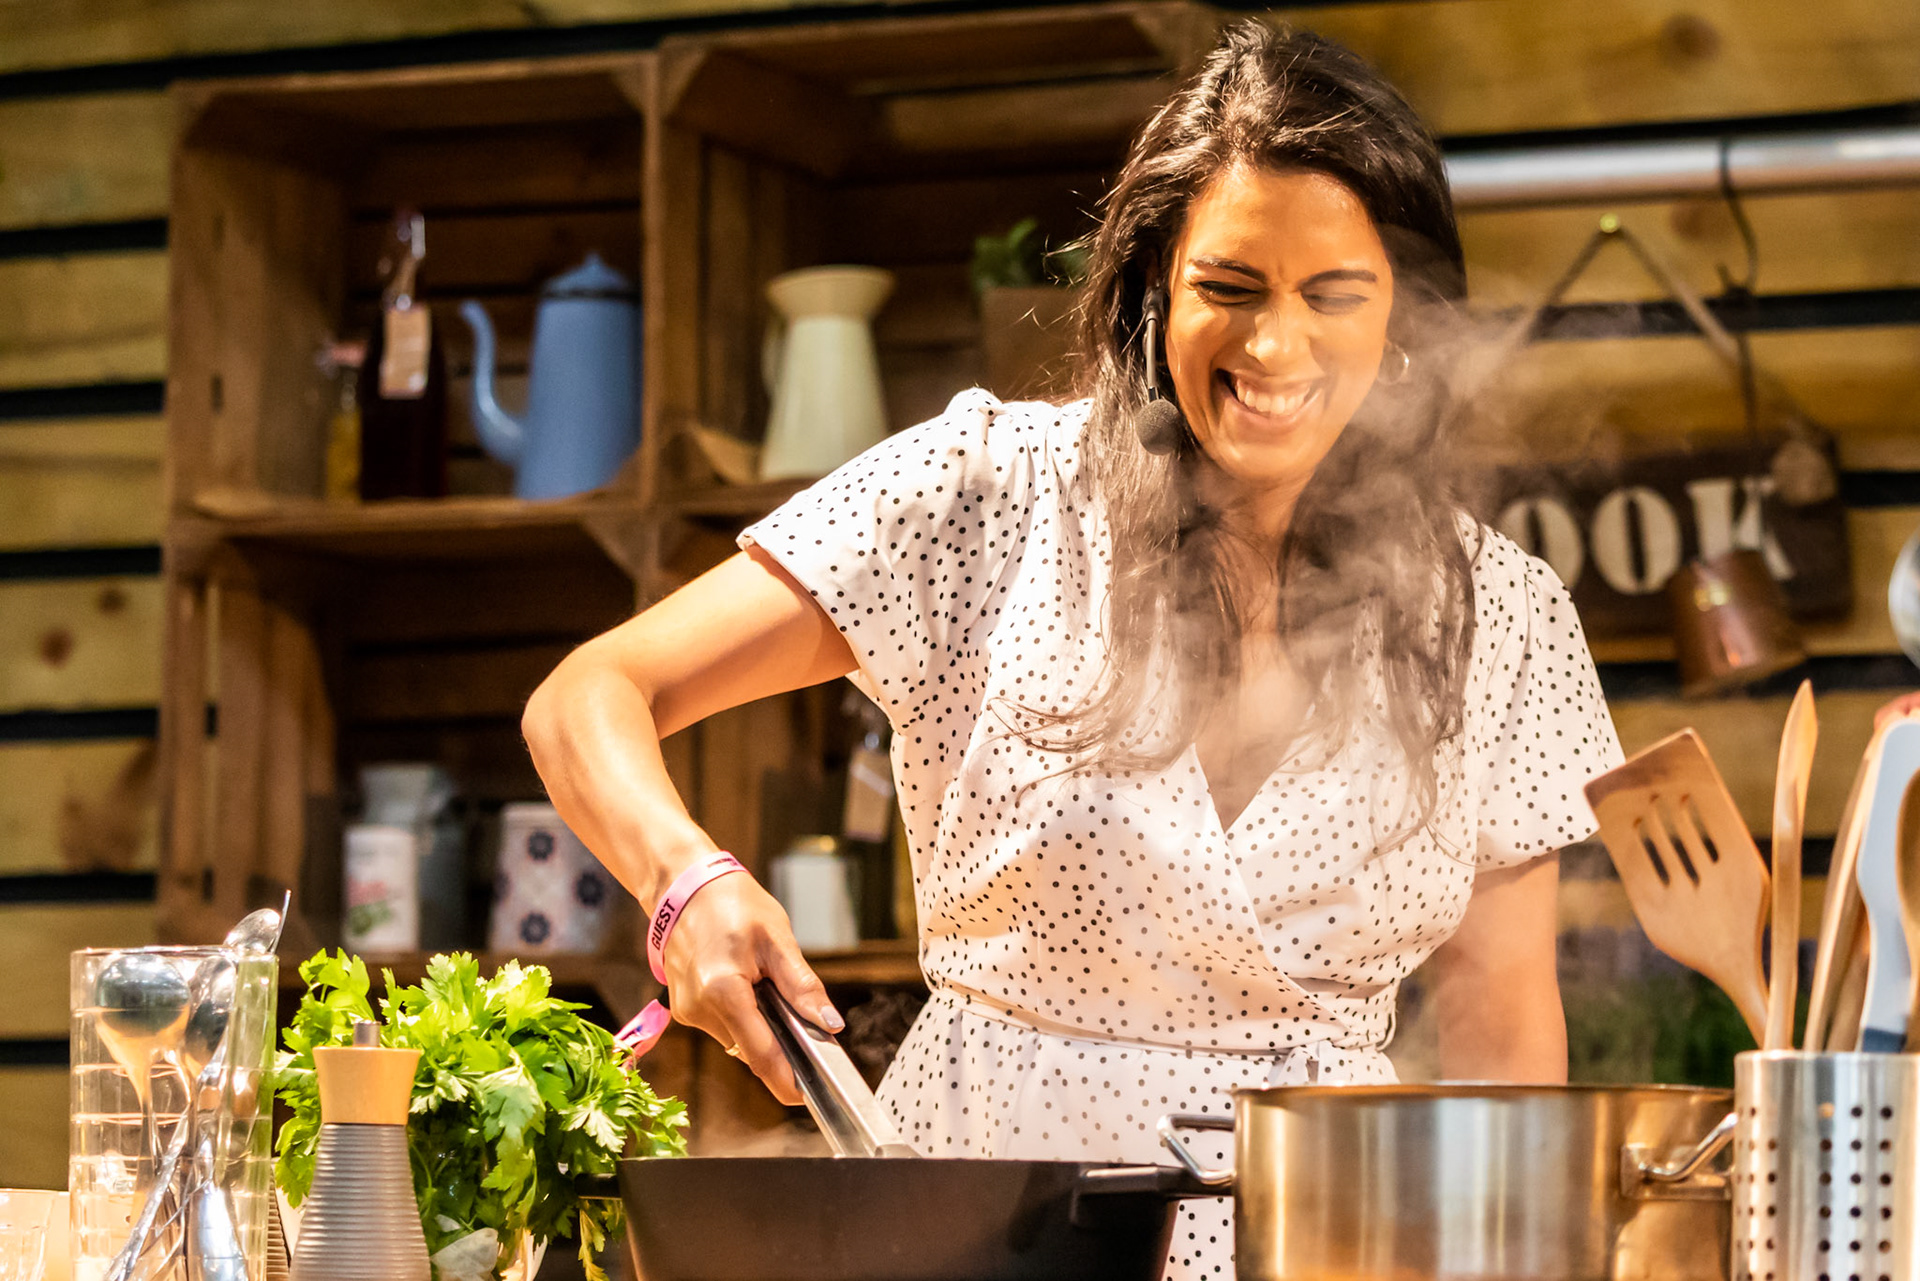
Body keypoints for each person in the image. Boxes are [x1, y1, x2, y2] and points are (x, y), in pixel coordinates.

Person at [523, 19, 1622, 1277]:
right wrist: (686, 884)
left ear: (1404, 320)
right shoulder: (985, 491)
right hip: (983, 1232)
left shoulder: (1504, 613)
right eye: (1229, 287)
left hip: (1321, 1242)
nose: (1276, 348)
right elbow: (590, 693)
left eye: (1336, 296)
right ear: (1156, 286)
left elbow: (1502, 1039)